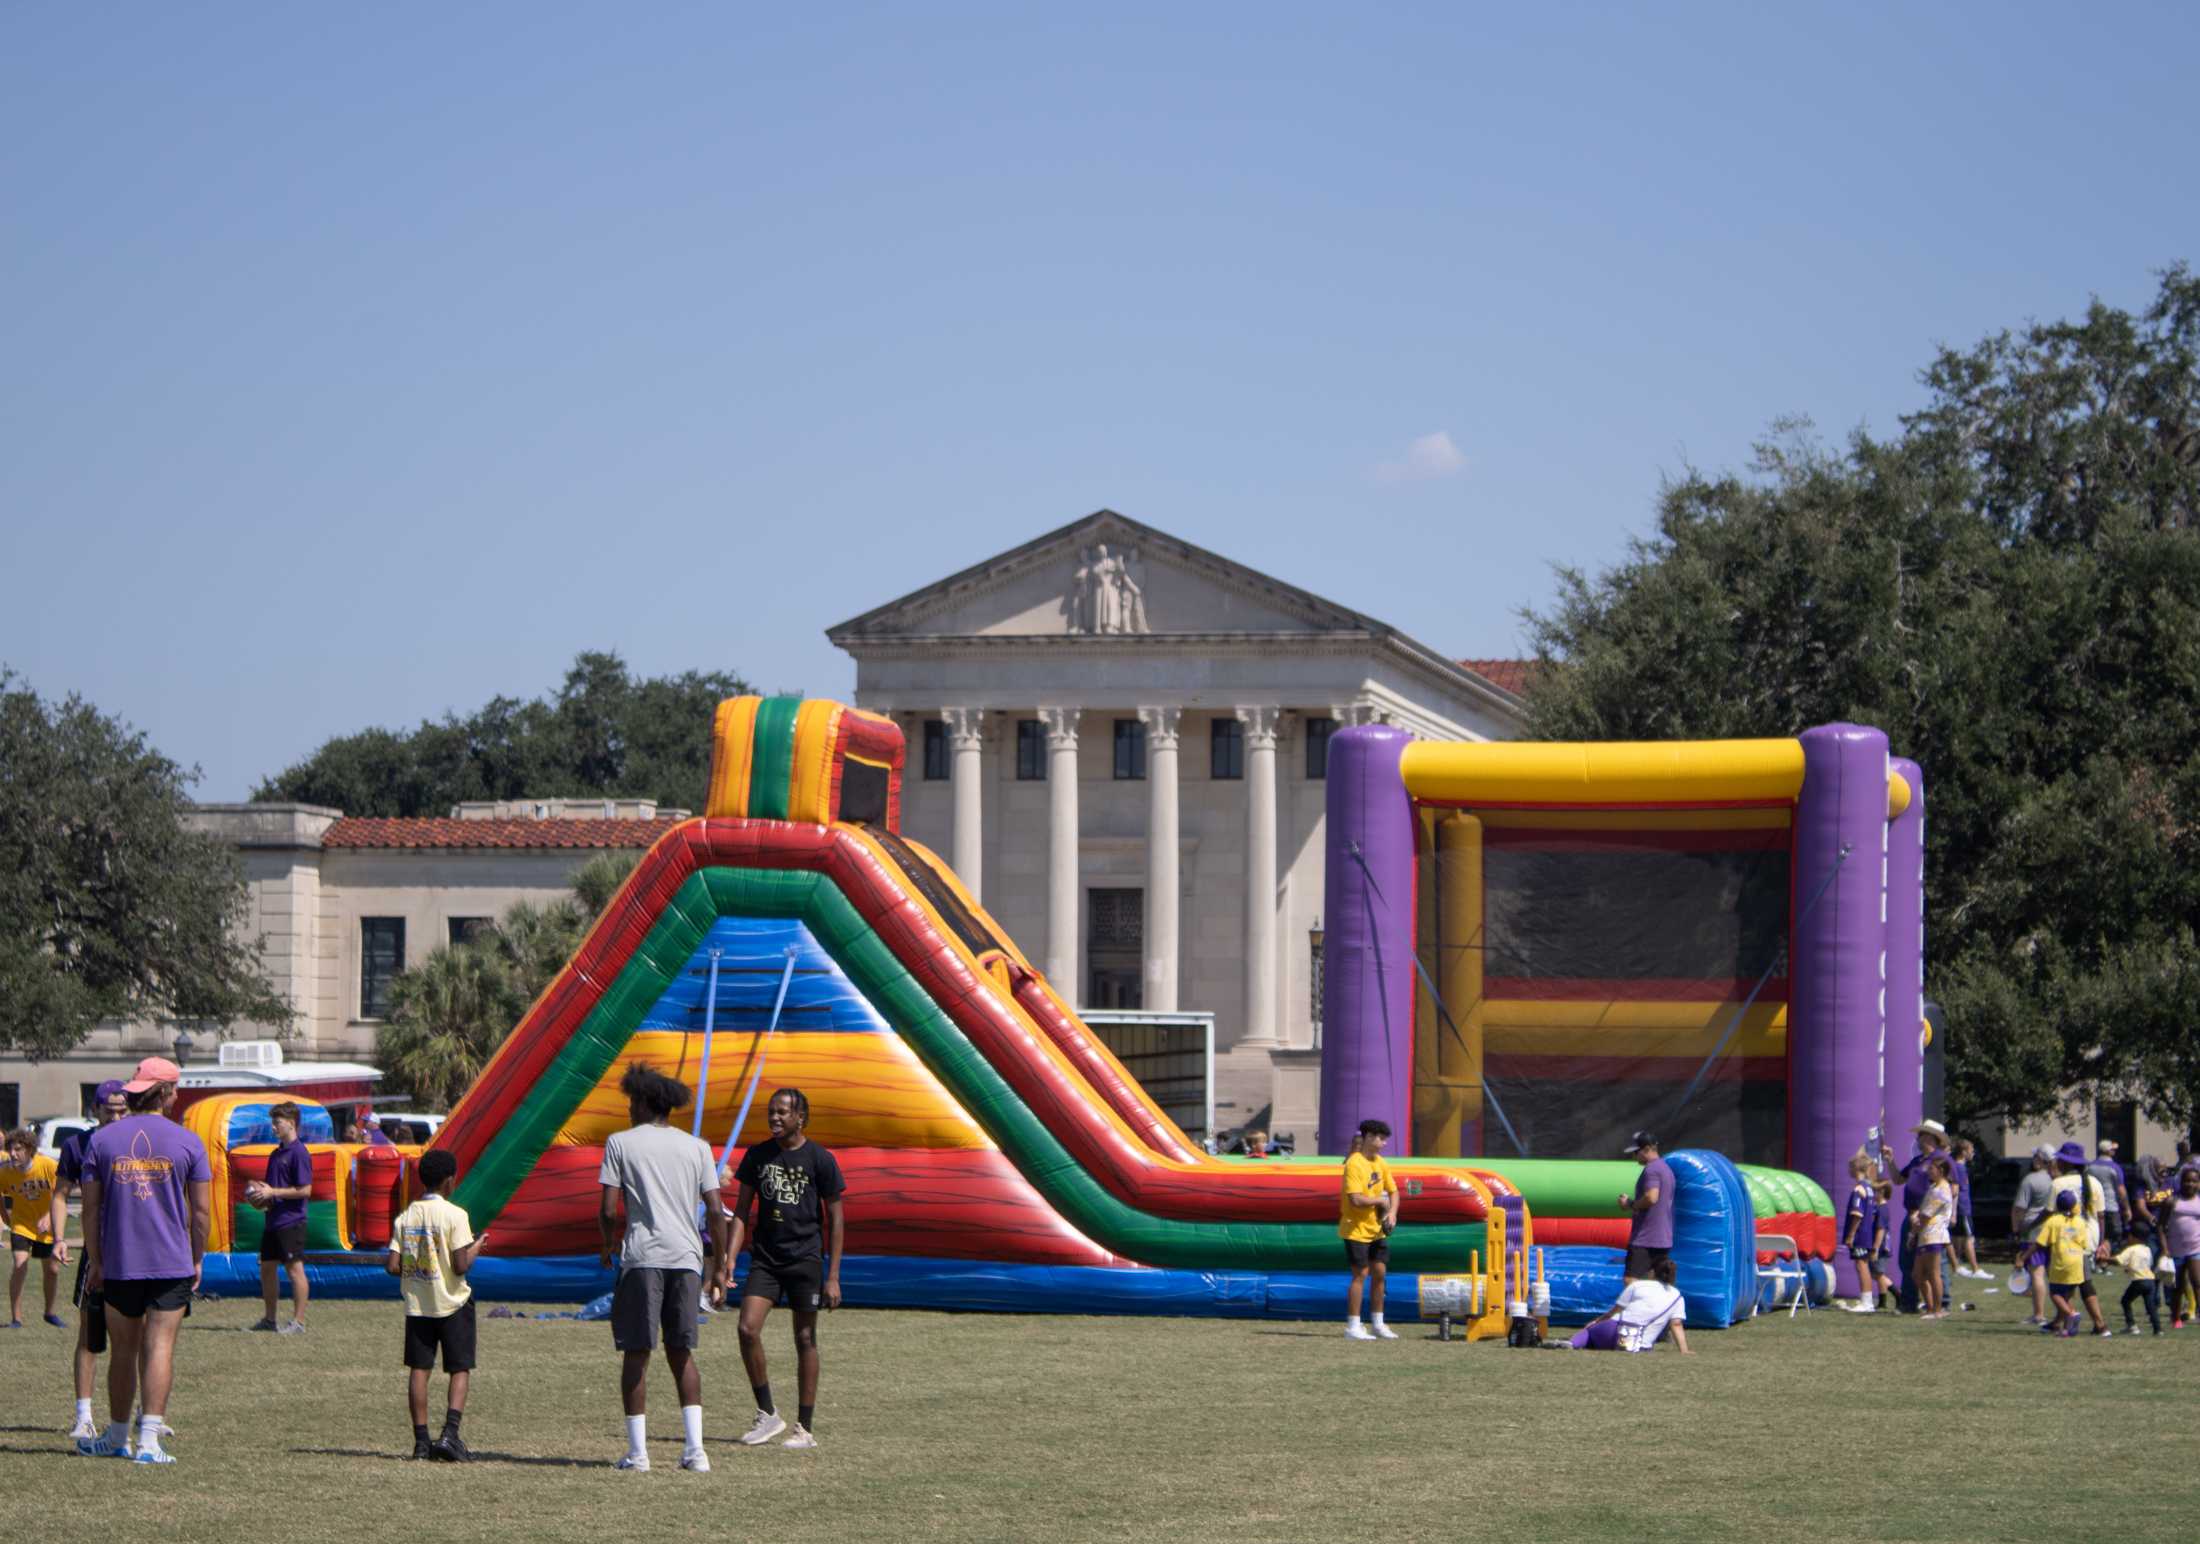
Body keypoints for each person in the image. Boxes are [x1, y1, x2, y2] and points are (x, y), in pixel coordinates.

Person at [76, 1057, 212, 1464]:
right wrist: (198, 1257)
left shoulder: (102, 1141)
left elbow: (90, 1210)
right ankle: (149, 1441)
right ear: (169, 1094)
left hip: (119, 1261)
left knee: (122, 1350)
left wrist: (96, 1260)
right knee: (160, 1348)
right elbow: (202, 1212)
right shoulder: (188, 1141)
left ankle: (117, 1437)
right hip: (172, 1262)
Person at [599, 1065, 729, 1473]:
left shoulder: (620, 1143)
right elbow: (714, 1211)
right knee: (682, 1352)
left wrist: (606, 1246)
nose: (628, 1109)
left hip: (642, 1257)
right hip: (686, 1259)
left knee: (637, 1352)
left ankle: (638, 1454)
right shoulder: (697, 1147)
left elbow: (607, 1208)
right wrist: (720, 1265)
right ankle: (696, 1451)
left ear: (642, 1102)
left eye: (631, 1101)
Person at [729, 1087, 848, 1448]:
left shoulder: (820, 1159)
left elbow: (837, 1219)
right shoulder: (758, 1156)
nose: (775, 1118)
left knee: (805, 1338)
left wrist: (833, 1276)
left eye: (783, 1112)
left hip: (805, 1259)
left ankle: (804, 1428)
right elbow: (741, 1212)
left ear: (801, 1117)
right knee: (747, 1329)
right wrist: (728, 1260)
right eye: (771, 1112)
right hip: (766, 1258)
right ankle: (768, 1414)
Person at [386, 1148, 485, 1461]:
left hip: (419, 1303)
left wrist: (420, 1268)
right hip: (453, 1302)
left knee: (419, 1369)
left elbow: (392, 1265)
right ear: (449, 1181)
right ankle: (450, 1434)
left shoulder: (406, 1217)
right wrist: (478, 1244)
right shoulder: (456, 1215)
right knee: (460, 1368)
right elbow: (459, 1265)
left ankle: (420, 1442)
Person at [51, 1081, 129, 1439]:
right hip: (96, 1251)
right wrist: (58, 1238)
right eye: (108, 1109)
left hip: (137, 1251)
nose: (115, 1116)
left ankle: (144, 1413)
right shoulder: (77, 1145)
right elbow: (60, 1194)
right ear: (94, 1110)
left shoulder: (137, 1143)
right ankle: (83, 1415)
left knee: (141, 1335)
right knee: (89, 1332)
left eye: (122, 1110)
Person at [244, 1101, 312, 1334]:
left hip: (292, 1221)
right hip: (273, 1221)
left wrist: (273, 1192)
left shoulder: (299, 1153)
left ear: (291, 1124)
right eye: (272, 1123)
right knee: (266, 1268)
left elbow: (305, 1190)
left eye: (277, 1123)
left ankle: (298, 1323)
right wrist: (261, 1196)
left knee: (295, 1270)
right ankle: (269, 1321)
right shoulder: (276, 1153)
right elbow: (271, 1189)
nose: (273, 1127)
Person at [1337, 1117, 1399, 1341]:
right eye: (1380, 1138)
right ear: (1369, 1138)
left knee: (1380, 1273)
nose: (1383, 1143)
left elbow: (1393, 1191)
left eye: (1384, 1139)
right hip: (1356, 1229)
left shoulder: (1381, 1162)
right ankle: (1353, 1326)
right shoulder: (1354, 1163)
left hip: (1376, 1230)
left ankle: (1378, 1323)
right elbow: (1355, 1199)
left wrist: (1391, 1212)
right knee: (1360, 1274)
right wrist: (1379, 1202)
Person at [1880, 1119, 1952, 1313]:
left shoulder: (1940, 1159)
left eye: (1921, 1135)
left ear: (1930, 1137)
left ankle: (1941, 1303)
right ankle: (1910, 1302)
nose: (1917, 1138)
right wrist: (1890, 1160)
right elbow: (1898, 1179)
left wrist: (1942, 1215)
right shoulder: (1917, 1160)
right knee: (1908, 1261)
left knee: (1935, 1264)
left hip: (1930, 1219)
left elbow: (1950, 1188)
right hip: (1912, 1215)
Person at [1554, 1257, 1691, 1353]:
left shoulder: (1637, 1285)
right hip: (1634, 1341)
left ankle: (1573, 1343)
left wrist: (1596, 1322)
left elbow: (1613, 1312)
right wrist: (1684, 1350)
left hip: (1609, 1328)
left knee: (1590, 1332)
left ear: (1652, 1272)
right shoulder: (1676, 1296)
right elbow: (1676, 1324)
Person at [1, 1127, 64, 1327]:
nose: (13, 1153)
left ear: (30, 1149)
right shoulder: (5, 1172)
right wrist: (5, 1217)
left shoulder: (47, 1165)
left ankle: (50, 1313)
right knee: (20, 1264)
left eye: (18, 1149)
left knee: (52, 1269)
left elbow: (60, 1193)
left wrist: (48, 1216)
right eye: (11, 1149)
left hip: (46, 1227)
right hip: (21, 1225)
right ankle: (16, 1318)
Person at [2034, 1188, 2109, 1338]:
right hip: (2078, 1260)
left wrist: (2023, 1257)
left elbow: (2040, 1243)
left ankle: (2073, 1315)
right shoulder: (2080, 1221)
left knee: (2056, 1293)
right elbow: (2083, 1243)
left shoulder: (2053, 1221)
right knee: (2068, 1293)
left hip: (2061, 1261)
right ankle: (2066, 1327)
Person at [2010, 1143, 2058, 1324]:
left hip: (2033, 1232)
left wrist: (2016, 1229)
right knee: (2054, 1275)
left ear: (2039, 1159)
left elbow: (2019, 1208)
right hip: (2054, 1230)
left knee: (2037, 1274)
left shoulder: (2030, 1180)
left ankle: (2038, 1314)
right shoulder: (2057, 1180)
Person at [1618, 1131, 1675, 1280]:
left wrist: (1630, 1204)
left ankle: (1631, 1304)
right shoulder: (1666, 1169)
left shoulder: (1652, 1169)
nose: (1634, 1156)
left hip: (1645, 1238)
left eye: (1636, 1152)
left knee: (1630, 1281)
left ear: (1647, 1149)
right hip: (1663, 1238)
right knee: (1655, 1283)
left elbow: (1651, 1197)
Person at [1839, 1152, 1891, 1313]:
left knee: (1861, 1266)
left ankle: (1866, 1302)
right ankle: (1866, 1301)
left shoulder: (1859, 1189)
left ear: (1855, 1168)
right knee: (1863, 1266)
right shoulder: (1869, 1189)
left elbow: (1857, 1214)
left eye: (1849, 1167)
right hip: (1867, 1234)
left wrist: (1851, 1234)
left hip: (1860, 1235)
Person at [1913, 1155, 1954, 1319]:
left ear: (1941, 1171)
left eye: (1932, 1168)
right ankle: (1930, 1308)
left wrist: (1914, 1226)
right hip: (1925, 1235)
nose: (1928, 1171)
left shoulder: (1942, 1190)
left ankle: (1937, 1309)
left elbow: (1925, 1215)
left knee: (1933, 1273)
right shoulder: (1933, 1187)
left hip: (1934, 1235)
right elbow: (1922, 1211)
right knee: (1917, 1274)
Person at [2163, 1164, 2200, 1331]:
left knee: (2197, 1281)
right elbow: (2160, 1226)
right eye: (2187, 1181)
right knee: (2178, 1286)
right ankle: (2175, 1317)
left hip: (2195, 1248)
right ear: (2181, 1182)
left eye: (2194, 1181)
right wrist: (2165, 1248)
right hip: (2175, 1249)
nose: (2190, 1184)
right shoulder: (2172, 1201)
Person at [1948, 1138, 1988, 1279]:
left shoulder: (1960, 1167)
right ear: (1963, 1152)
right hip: (1962, 1209)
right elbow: (1956, 1190)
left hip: (1963, 1208)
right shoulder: (1959, 1168)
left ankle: (1957, 1265)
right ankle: (1975, 1269)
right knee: (1969, 1238)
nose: (1973, 1153)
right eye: (1971, 1150)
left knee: (1957, 1237)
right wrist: (1954, 1212)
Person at [2113, 1236, 2162, 1336]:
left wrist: (2103, 1259)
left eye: (2129, 1236)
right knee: (2150, 1306)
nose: (2128, 1239)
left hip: (2139, 1280)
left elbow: (2118, 1260)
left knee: (2125, 1301)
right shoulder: (2147, 1249)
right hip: (2150, 1280)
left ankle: (2132, 1326)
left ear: (2134, 1237)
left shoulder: (2131, 1249)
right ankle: (2158, 1329)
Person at [2085, 1140, 2130, 1248]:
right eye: (2112, 1149)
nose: (2114, 1151)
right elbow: (2121, 1190)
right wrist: (2127, 1208)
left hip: (2094, 1205)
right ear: (2108, 1151)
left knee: (2096, 1232)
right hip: (2111, 1205)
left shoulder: (2090, 1166)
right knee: (2114, 1235)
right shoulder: (2114, 1167)